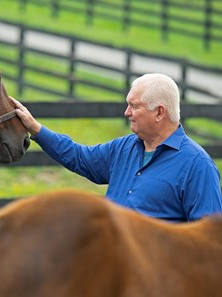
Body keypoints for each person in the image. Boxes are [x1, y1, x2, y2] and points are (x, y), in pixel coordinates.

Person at [11, 73, 222, 222]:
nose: (126, 112)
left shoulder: (197, 166)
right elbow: (79, 157)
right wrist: (36, 129)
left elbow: (208, 240)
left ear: (159, 113)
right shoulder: (123, 148)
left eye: (134, 105)